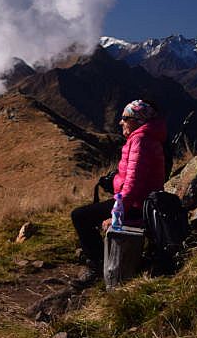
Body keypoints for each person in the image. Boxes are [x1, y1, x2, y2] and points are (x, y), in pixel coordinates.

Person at [71, 99, 167, 278]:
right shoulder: (145, 137)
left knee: (80, 216)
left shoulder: (140, 140)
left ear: (137, 120)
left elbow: (133, 183)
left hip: (136, 205)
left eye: (125, 117)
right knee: (86, 214)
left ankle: (97, 265)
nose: (120, 121)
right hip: (142, 202)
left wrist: (116, 214)